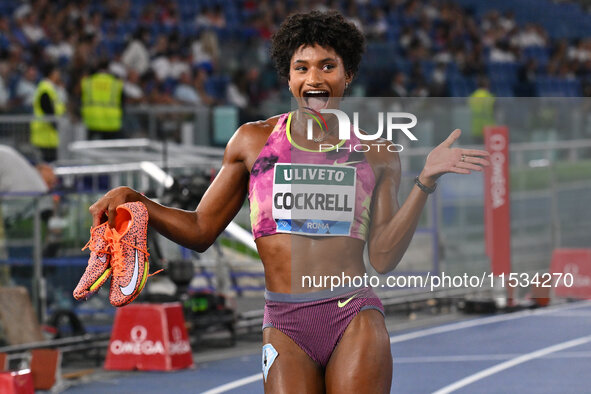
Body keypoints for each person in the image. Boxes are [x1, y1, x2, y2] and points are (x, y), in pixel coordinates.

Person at [88, 11, 489, 393]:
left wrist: (425, 181)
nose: (314, 77)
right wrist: (136, 200)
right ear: (289, 77)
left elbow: (383, 258)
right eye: (302, 68)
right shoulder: (252, 142)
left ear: (347, 74)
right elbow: (199, 230)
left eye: (327, 66)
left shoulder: (377, 153)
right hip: (282, 320)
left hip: (352, 314)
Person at [80, 60, 124, 140]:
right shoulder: (116, 83)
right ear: (108, 68)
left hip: (92, 121)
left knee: (90, 150)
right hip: (111, 122)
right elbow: (123, 101)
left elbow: (80, 97)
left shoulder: (88, 82)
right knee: (109, 151)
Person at [30, 63, 65, 162]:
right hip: (45, 137)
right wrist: (57, 127)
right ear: (52, 74)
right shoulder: (46, 90)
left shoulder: (49, 88)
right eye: (57, 72)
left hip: (48, 136)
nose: (59, 75)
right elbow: (49, 112)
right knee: (49, 167)